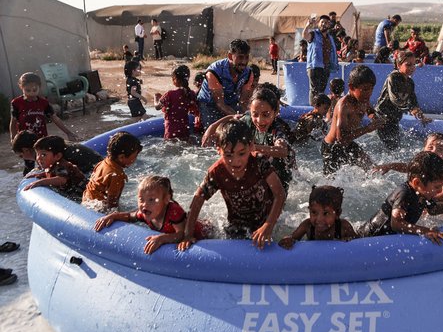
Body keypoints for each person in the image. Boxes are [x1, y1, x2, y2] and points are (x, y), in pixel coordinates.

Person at [179, 119, 285, 250]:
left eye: (242, 153)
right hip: (237, 225)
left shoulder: (259, 162)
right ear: (218, 150)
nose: (236, 161)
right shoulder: (217, 172)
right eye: (228, 154)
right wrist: (188, 235)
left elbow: (279, 194)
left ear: (251, 146)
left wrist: (269, 225)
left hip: (265, 219)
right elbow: (197, 200)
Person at [202, 87, 295, 194]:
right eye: (255, 114)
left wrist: (253, 148)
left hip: (281, 176)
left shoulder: (277, 128)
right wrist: (212, 127)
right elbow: (235, 117)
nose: (260, 120)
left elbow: (282, 150)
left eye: (266, 114)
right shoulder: (248, 120)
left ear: (276, 112)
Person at [94, 175, 206, 254]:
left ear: (166, 199)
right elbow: (129, 216)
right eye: (141, 199)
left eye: (151, 200)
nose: (144, 204)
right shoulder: (146, 213)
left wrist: (162, 238)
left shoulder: (174, 212)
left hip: (201, 233)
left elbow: (182, 234)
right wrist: (113, 216)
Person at [358, 151, 443, 244]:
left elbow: (433, 210)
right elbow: (396, 224)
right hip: (369, 238)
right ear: (417, 183)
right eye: (437, 186)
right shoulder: (405, 193)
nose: (440, 190)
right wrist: (426, 231)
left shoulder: (423, 193)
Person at [373, 132, 443, 218]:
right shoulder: (423, 166)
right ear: (423, 150)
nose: (434, 151)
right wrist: (390, 166)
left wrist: (428, 200)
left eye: (440, 149)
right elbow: (407, 167)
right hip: (427, 199)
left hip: (438, 203)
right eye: (430, 147)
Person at [322, 65, 386, 174]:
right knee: (331, 184)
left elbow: (370, 111)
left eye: (371, 89)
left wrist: (375, 118)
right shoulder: (343, 106)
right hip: (332, 148)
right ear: (351, 87)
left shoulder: (363, 99)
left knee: (373, 170)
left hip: (348, 143)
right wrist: (368, 128)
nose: (369, 93)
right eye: (365, 89)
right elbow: (341, 139)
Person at [375, 51, 432, 150]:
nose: (412, 67)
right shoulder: (392, 78)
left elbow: (413, 102)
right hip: (382, 119)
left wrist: (421, 116)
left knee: (395, 148)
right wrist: (410, 109)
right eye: (408, 64)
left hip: (394, 119)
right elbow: (395, 100)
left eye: (414, 64)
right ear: (398, 65)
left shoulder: (410, 82)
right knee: (390, 149)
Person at [9, 72, 78, 152]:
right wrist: (13, 138)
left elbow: (55, 118)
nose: (31, 93)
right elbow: (13, 122)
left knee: (43, 160)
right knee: (29, 161)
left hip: (41, 140)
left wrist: (68, 132)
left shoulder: (43, 103)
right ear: (21, 87)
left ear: (39, 87)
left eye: (34, 90)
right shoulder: (16, 103)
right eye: (27, 90)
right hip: (25, 142)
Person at [197, 39, 254, 130]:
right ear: (230, 56)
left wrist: (247, 117)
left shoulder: (248, 73)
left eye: (246, 57)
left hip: (231, 102)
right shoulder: (215, 71)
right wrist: (236, 116)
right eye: (240, 57)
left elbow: (243, 101)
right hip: (209, 104)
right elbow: (219, 103)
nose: (244, 62)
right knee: (215, 133)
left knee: (242, 129)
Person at [279, 185, 358, 249]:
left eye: (326, 213)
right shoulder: (307, 225)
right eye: (314, 212)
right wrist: (288, 239)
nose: (319, 219)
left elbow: (358, 243)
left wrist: (348, 241)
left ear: (337, 214)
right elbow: (292, 238)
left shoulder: (343, 227)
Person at [82, 132, 142, 212]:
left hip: (86, 201)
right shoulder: (116, 175)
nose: (135, 160)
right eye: (134, 156)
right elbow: (112, 204)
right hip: (97, 210)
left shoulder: (104, 162)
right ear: (121, 157)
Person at [22, 135, 87, 200]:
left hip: (84, 193)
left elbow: (62, 180)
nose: (39, 158)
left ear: (57, 156)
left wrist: (41, 182)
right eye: (37, 154)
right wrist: (42, 174)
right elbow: (54, 173)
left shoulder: (61, 165)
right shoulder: (52, 165)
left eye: (43, 155)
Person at [11, 131, 102, 175]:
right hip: (98, 162)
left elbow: (60, 175)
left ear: (26, 150)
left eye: (21, 156)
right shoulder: (48, 145)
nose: (23, 159)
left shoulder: (46, 153)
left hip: (94, 169)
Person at [154, 65, 198, 141]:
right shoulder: (191, 93)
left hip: (171, 132)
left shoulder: (169, 94)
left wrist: (155, 98)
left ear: (175, 79)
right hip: (184, 131)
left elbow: (157, 107)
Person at [304, 14, 339, 105]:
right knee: (315, 89)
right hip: (314, 66)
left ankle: (319, 109)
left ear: (329, 25)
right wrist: (308, 25)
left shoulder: (330, 38)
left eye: (326, 23)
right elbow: (305, 36)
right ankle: (313, 108)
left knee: (321, 90)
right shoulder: (314, 34)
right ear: (318, 24)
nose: (324, 24)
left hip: (326, 66)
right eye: (322, 22)